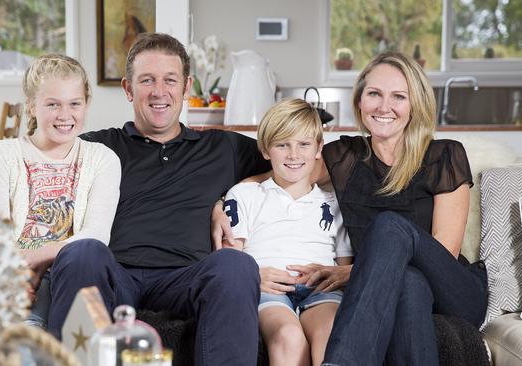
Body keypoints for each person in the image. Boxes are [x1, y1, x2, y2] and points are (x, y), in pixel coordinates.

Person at [214, 52, 488, 365]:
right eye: (374, 94)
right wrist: (222, 203)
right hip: (408, 287)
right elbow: (284, 172)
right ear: (359, 101)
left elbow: (444, 254)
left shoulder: (444, 155)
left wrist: (354, 273)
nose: (384, 107)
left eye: (398, 96)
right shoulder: (346, 157)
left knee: (390, 227)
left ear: (416, 104)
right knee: (409, 284)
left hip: (454, 289)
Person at [49, 33, 271, 365]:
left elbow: (296, 165)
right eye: (146, 80)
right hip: (115, 273)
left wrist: (229, 196)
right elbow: (34, 169)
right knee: (83, 251)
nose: (159, 91)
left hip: (187, 278)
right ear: (128, 88)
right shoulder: (96, 147)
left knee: (235, 265)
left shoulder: (222, 148)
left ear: (186, 86)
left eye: (170, 80)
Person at [0, 54, 121, 329]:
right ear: (31, 106)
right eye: (53, 104)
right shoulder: (2, 155)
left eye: (74, 104)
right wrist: (14, 275)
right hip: (15, 277)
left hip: (73, 275)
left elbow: (96, 235)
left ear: (87, 104)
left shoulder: (102, 159)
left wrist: (37, 256)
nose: (65, 115)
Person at [222, 98, 353, 365]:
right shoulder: (244, 194)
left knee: (331, 333)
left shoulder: (333, 202)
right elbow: (229, 262)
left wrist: (330, 278)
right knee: (287, 335)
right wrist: (253, 277)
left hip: (321, 290)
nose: (294, 154)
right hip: (268, 289)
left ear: (319, 148)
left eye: (304, 144)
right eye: (282, 145)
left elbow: (343, 268)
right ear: (266, 150)